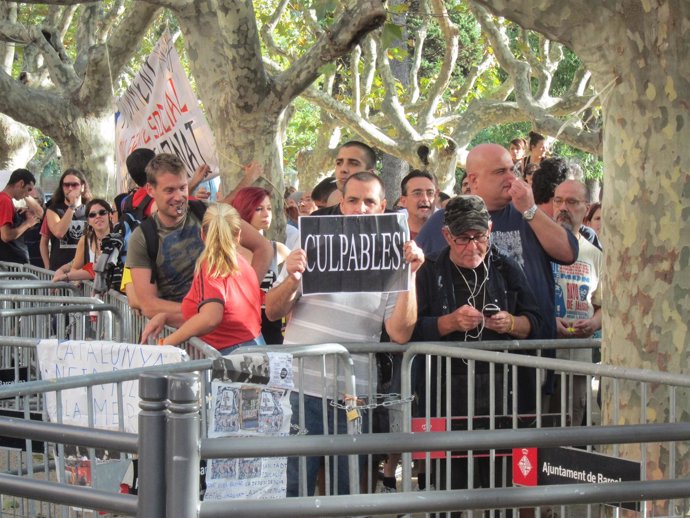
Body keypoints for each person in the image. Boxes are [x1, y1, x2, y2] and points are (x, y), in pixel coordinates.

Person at [265, 171, 424, 497]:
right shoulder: (309, 246)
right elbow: (272, 311)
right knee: (293, 488)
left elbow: (399, 333)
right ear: (342, 203)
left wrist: (411, 276)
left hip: (353, 397)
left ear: (382, 206)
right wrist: (293, 278)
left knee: (346, 488)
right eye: (353, 200)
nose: (360, 208)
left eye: (369, 201)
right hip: (298, 390)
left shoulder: (395, 260)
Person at [413, 195, 542, 497]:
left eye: (480, 237)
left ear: (490, 230)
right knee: (450, 489)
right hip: (445, 399)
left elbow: (536, 322)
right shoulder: (429, 272)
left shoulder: (505, 267)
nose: (472, 246)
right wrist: (449, 323)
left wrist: (511, 323)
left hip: (502, 398)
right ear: (446, 235)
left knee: (502, 488)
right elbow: (405, 331)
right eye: (462, 239)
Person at [125, 153, 272, 319]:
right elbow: (149, 306)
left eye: (182, 188)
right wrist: (206, 314)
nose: (178, 197)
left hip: (228, 329)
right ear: (151, 190)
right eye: (169, 190)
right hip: (180, 335)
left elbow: (264, 247)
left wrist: (245, 293)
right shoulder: (142, 237)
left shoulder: (210, 213)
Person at [140, 203, 264, 353]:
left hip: (232, 357)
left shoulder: (212, 265)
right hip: (252, 348)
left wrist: (165, 344)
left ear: (202, 234)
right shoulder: (242, 263)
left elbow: (210, 318)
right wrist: (167, 317)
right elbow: (219, 315)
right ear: (238, 235)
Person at [551, 180, 602, 426]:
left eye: (571, 202)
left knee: (569, 437)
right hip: (537, 361)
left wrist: (594, 323)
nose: (563, 208)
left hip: (577, 362)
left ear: (586, 207)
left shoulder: (595, 254)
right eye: (558, 200)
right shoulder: (538, 245)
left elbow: (605, 305)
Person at [231, 187, 290, 345]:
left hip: (273, 333)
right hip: (239, 333)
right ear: (244, 208)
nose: (266, 214)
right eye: (258, 209)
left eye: (269, 208)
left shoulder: (279, 249)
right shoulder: (229, 253)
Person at [51, 199, 116, 284]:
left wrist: (66, 276)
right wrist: (77, 278)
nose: (98, 216)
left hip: (114, 292)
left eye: (102, 212)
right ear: (88, 221)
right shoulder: (85, 240)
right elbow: (74, 268)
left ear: (110, 215)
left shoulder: (118, 239)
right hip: (92, 295)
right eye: (92, 215)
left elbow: (103, 269)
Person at [45, 168, 92, 271]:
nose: (70, 188)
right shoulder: (54, 209)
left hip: (84, 270)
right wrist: (72, 206)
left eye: (74, 185)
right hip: (59, 269)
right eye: (66, 185)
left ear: (82, 187)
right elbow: (59, 233)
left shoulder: (90, 210)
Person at [312, 141, 377, 214]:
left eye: (353, 164)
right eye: (339, 163)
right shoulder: (319, 218)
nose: (343, 169)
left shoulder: (389, 221)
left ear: (370, 174)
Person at [0, 168, 42, 264]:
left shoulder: (6, 200)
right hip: (10, 263)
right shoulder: (5, 200)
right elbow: (6, 236)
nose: (27, 195)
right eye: (28, 189)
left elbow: (40, 213)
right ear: (21, 183)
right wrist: (27, 224)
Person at [397, 170, 436, 239]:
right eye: (417, 193)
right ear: (403, 201)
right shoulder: (394, 236)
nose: (425, 199)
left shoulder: (448, 236)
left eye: (430, 193)